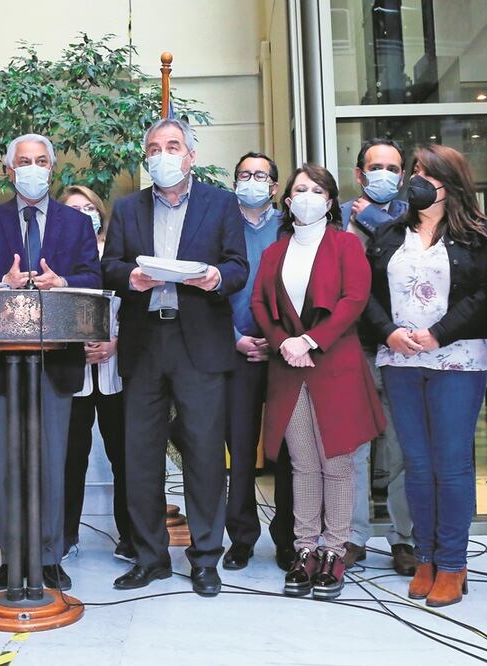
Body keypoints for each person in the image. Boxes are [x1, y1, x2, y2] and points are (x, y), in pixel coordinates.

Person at [102, 117, 248, 597]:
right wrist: (131, 279)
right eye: (153, 147)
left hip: (200, 342)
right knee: (140, 456)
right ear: (146, 157)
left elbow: (237, 267)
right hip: (145, 342)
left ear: (190, 156)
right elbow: (111, 266)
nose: (162, 154)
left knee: (204, 454)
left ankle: (205, 558)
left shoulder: (221, 203)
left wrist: (214, 278)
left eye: (172, 146)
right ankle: (150, 557)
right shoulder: (127, 208)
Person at [0, 134, 101, 593]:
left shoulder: (75, 224)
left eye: (42, 161)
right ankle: (11, 555)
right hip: (3, 364)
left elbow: (93, 277)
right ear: (9, 170)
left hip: (56, 361)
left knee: (52, 460)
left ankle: (48, 554)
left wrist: (62, 282)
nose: (34, 168)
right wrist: (2, 282)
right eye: (25, 161)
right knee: (10, 462)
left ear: (52, 168)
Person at [364, 144, 487, 608]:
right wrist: (389, 333)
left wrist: (439, 333)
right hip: (400, 361)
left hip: (457, 360)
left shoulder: (479, 235)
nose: (415, 178)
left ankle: (454, 563)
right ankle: (425, 558)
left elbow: (485, 294)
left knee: (452, 463)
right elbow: (367, 294)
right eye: (414, 171)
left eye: (426, 172)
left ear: (450, 182)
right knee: (416, 464)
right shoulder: (386, 232)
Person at [251, 163, 383, 601]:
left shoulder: (346, 245)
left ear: (330, 200)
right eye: (299, 190)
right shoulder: (276, 250)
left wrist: (310, 340)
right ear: (287, 201)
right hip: (289, 368)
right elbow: (260, 303)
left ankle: (334, 550)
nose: (306, 196)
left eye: (316, 190)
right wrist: (285, 343)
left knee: (337, 464)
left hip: (335, 366)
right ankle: (304, 547)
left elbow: (354, 299)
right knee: (302, 464)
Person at [338, 138, 417, 576]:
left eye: (392, 167)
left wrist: (374, 220)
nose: (383, 174)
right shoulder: (338, 218)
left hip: (403, 348)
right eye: (375, 166)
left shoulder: (416, 220)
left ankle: (404, 538)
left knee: (402, 447)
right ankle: (353, 535)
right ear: (360, 173)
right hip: (354, 346)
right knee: (354, 447)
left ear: (402, 176)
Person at [57, 184, 132, 562]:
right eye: (73, 208)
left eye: (89, 207)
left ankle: (130, 536)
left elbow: (135, 306)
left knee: (124, 457)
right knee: (71, 458)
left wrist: (114, 343)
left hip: (117, 372)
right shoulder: (56, 258)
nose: (83, 214)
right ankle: (66, 535)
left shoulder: (116, 254)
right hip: (73, 374)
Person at [221, 151, 282, 571]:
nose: (253, 181)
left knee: (288, 453)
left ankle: (288, 539)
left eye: (261, 175)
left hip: (285, 355)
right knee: (240, 453)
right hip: (236, 351)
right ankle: (241, 537)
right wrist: (237, 339)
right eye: (245, 175)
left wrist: (278, 342)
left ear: (275, 187)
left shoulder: (291, 228)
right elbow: (209, 289)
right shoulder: (220, 226)